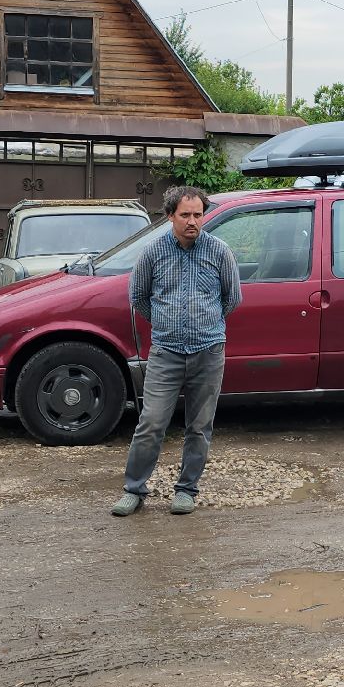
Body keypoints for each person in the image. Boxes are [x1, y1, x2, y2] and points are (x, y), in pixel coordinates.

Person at [113, 185, 241, 517]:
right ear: (171, 216)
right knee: (151, 422)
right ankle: (134, 490)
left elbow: (232, 299)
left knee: (200, 425)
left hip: (208, 351)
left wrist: (204, 323)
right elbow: (139, 297)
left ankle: (186, 490)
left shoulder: (219, 251)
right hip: (166, 353)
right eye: (185, 215)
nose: (192, 222)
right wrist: (168, 324)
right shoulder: (153, 252)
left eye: (198, 214)